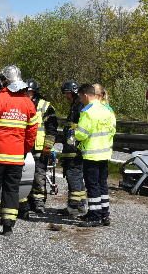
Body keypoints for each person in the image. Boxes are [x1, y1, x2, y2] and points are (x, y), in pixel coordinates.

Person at [0, 65, 37, 236]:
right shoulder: (28, 103)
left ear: (5, 81)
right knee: (12, 190)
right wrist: (24, 150)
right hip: (16, 157)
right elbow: (31, 133)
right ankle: (8, 226)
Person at [74, 83, 116, 227]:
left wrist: (74, 133)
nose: (80, 100)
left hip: (92, 154)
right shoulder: (107, 110)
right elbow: (112, 130)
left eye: (80, 97)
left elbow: (81, 134)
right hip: (105, 153)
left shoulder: (88, 112)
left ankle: (95, 216)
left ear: (85, 95)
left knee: (92, 186)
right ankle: (105, 214)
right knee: (102, 185)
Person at [21, 79, 58, 218]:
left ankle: (38, 202)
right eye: (26, 92)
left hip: (39, 147)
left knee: (38, 175)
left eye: (29, 92)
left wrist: (47, 146)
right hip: (23, 146)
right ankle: (24, 203)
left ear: (35, 92)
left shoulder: (45, 106)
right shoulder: (20, 104)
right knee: (23, 175)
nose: (27, 94)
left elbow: (52, 129)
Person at [60, 80, 88, 216]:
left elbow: (78, 128)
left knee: (74, 176)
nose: (66, 97)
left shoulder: (79, 106)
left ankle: (74, 207)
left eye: (67, 94)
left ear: (72, 93)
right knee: (75, 176)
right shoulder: (76, 105)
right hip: (72, 147)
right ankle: (81, 205)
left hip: (74, 148)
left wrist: (72, 143)